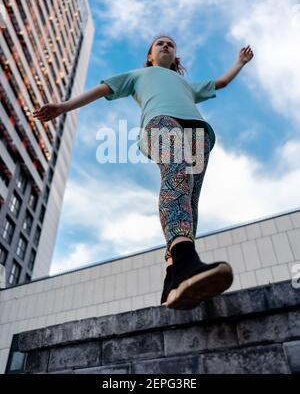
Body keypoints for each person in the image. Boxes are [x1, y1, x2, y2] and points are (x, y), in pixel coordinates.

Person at [33, 35, 254, 310]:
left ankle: (173, 280)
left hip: (198, 134)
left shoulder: (185, 83)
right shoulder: (138, 75)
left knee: (189, 202)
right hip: (160, 122)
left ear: (175, 57)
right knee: (177, 174)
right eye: (159, 43)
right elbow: (102, 89)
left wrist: (240, 62)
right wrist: (64, 107)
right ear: (150, 55)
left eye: (171, 44)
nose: (165, 46)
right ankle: (186, 259)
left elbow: (220, 82)